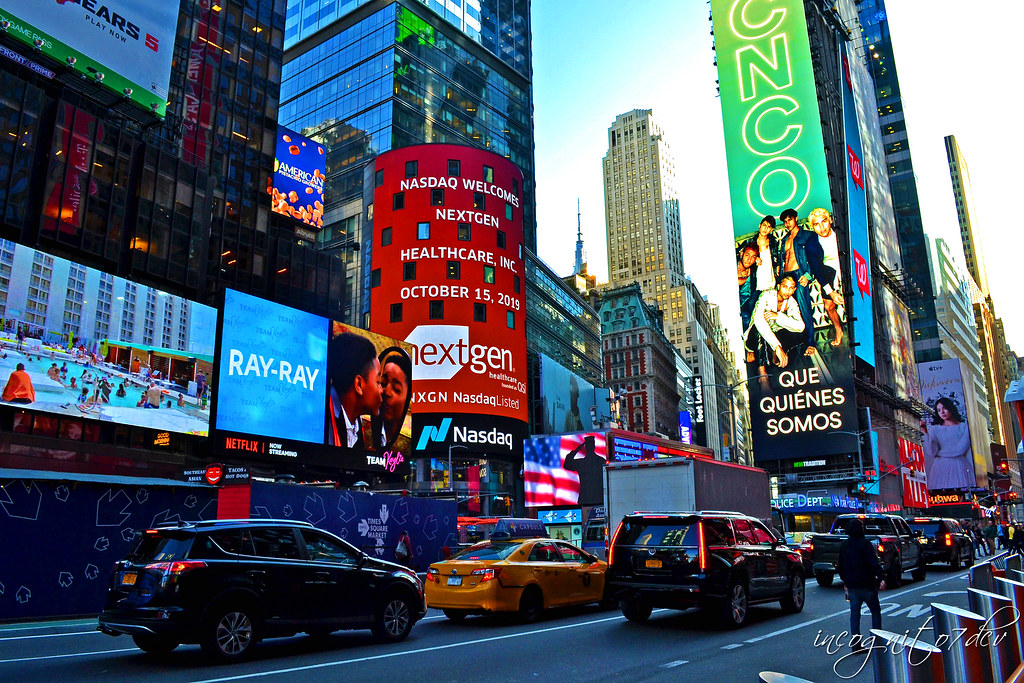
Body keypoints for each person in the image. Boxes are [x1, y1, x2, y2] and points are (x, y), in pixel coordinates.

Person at [776, 208, 823, 356]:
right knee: (789, 311)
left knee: (804, 310)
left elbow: (818, 257)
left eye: (789, 220)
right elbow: (783, 260)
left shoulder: (808, 235)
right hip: (786, 276)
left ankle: (810, 344)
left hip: (799, 274)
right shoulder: (784, 239)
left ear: (796, 218)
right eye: (785, 222)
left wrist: (808, 275)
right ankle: (796, 342)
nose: (787, 223)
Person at [326, 332, 382, 449]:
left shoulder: (356, 425)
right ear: (359, 384)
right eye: (378, 382)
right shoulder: (323, 425)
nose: (382, 390)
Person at [748, 276, 806, 389]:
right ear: (778, 286)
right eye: (785, 287)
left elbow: (801, 326)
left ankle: (775, 355)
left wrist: (778, 316)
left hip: (774, 334)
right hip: (755, 336)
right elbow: (759, 321)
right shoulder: (766, 295)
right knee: (758, 331)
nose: (787, 291)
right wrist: (777, 346)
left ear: (794, 290)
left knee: (800, 334)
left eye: (791, 288)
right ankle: (763, 376)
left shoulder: (792, 302)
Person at [837, 518, 887, 649]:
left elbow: (841, 566)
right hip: (867, 584)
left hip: (852, 585)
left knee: (855, 614)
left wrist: (845, 581)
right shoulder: (865, 544)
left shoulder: (844, 545)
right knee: (875, 611)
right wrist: (881, 577)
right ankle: (877, 641)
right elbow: (873, 563)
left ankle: (856, 644)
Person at [807, 208, 845, 347]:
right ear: (812, 227)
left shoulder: (841, 230)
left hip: (846, 264)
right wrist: (831, 292)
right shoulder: (811, 244)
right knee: (829, 306)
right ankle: (838, 330)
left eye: (824, 221)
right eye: (816, 224)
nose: (821, 227)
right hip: (828, 271)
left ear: (830, 220)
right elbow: (817, 271)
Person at [920, 398, 973, 489]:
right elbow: (931, 452)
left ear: (950, 408)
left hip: (959, 466)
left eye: (944, 408)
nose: (942, 412)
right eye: (939, 410)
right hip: (940, 468)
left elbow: (960, 449)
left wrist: (940, 453)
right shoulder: (935, 429)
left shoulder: (964, 427)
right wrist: (925, 433)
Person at [373, 349, 412, 451]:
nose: (386, 392)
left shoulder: (409, 442)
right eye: (383, 383)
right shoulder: (363, 429)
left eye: (396, 389)